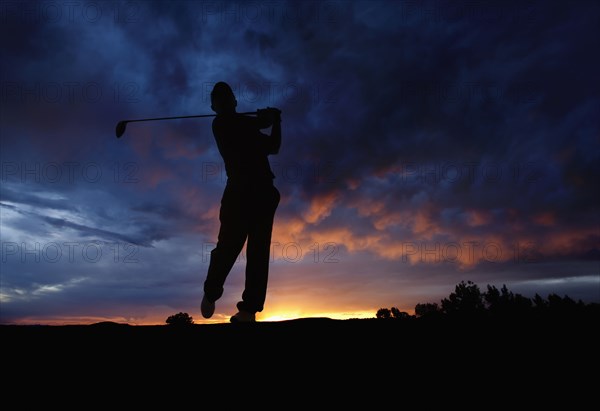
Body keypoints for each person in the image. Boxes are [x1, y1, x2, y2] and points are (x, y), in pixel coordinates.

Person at [201, 82, 281, 323]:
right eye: (219, 99)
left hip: (264, 192)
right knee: (228, 247)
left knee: (258, 252)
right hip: (238, 192)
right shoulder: (222, 124)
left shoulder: (248, 129)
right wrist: (268, 117)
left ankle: (249, 310)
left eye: (228, 98)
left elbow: (274, 147)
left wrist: (276, 122)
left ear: (235, 101)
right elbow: (254, 124)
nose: (224, 102)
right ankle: (212, 291)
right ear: (213, 106)